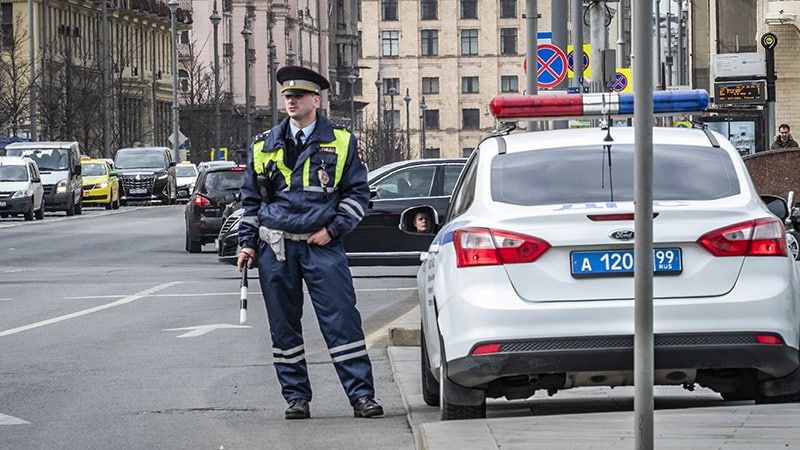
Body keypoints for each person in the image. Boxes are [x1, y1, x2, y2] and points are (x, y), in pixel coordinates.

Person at [237, 66, 382, 420]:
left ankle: (361, 396)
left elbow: (357, 194)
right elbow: (251, 200)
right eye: (287, 97)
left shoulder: (342, 141)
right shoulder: (263, 145)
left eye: (298, 97)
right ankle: (296, 398)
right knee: (283, 327)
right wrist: (247, 244)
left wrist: (333, 230)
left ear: (316, 100)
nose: (291, 102)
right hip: (277, 247)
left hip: (322, 245)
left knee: (342, 321)